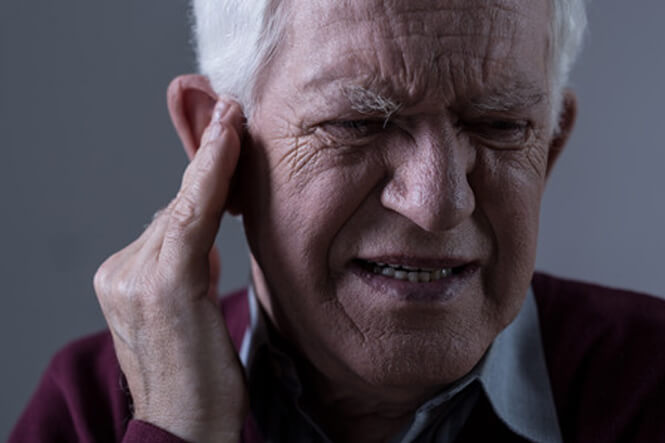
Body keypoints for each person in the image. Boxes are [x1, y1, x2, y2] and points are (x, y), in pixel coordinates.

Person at [10, 0, 665, 442]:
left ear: (548, 148)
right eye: (359, 123)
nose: (438, 203)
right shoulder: (92, 408)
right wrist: (178, 428)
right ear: (219, 147)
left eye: (499, 125)